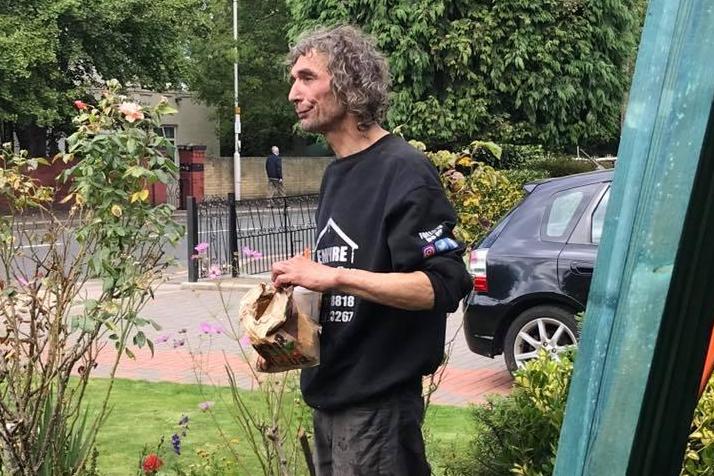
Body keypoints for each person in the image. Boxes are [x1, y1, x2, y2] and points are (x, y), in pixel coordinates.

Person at [271, 25, 472, 476]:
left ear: (347, 82)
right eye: (294, 79)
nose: (292, 93)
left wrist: (335, 277)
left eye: (306, 78)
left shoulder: (404, 170)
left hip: (377, 407)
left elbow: (443, 285)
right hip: (331, 394)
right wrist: (305, 282)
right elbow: (348, 269)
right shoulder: (337, 174)